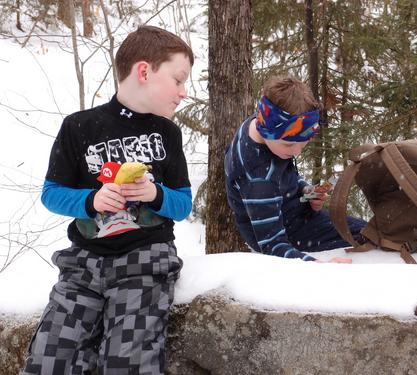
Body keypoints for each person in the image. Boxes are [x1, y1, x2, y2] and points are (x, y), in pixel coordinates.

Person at [23, 25, 193, 375]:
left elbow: (183, 203)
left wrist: (155, 194)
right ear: (144, 72)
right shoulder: (79, 126)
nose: (184, 92)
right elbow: (51, 194)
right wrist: (92, 200)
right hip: (82, 265)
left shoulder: (168, 133)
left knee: (127, 363)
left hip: (146, 263)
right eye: (178, 80)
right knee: (48, 361)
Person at [224, 76, 366, 263]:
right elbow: (272, 245)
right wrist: (319, 266)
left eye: (303, 143)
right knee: (367, 235)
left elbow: (282, 177)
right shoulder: (258, 177)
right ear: (267, 130)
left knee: (368, 230)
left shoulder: (263, 123)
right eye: (289, 144)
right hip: (286, 231)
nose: (296, 152)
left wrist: (305, 190)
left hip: (294, 211)